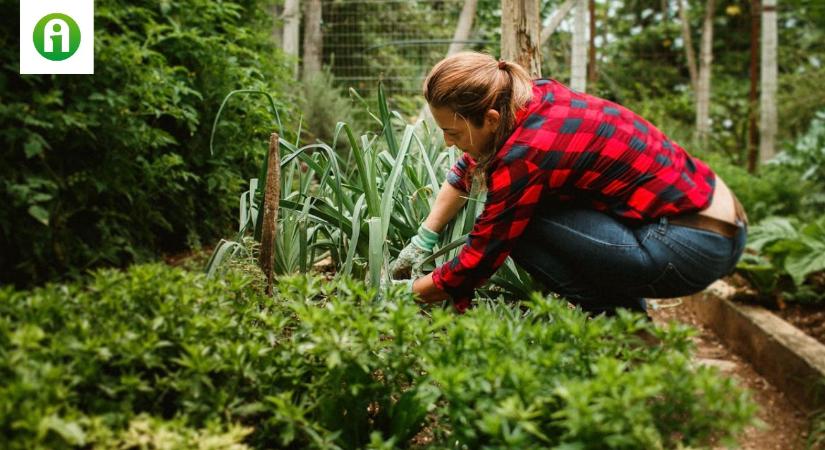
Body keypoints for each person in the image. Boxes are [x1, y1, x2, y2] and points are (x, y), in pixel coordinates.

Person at [389, 52, 747, 316]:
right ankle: (631, 331)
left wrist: (401, 296)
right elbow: (470, 165)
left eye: (452, 133)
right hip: (719, 225)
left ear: (491, 118)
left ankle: (616, 321)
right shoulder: (531, 99)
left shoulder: (526, 155)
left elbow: (480, 258)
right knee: (533, 212)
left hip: (692, 247)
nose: (449, 143)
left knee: (521, 228)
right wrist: (424, 239)